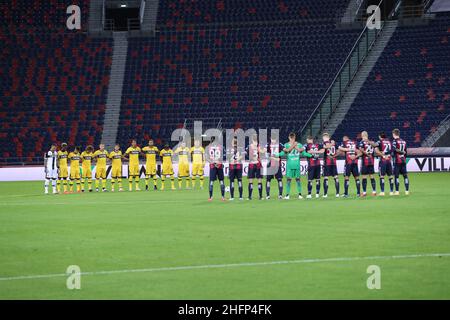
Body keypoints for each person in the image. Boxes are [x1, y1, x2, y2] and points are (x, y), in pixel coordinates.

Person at [273, 132, 311, 200]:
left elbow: (282, 153)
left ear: (289, 137)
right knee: (298, 180)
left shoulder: (287, 144)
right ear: (294, 137)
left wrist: (275, 155)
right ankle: (299, 195)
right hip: (296, 165)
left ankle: (287, 195)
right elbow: (304, 153)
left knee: (289, 180)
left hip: (290, 165)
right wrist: (311, 156)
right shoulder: (298, 144)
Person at [206, 137, 225, 201]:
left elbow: (206, 157)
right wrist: (218, 162)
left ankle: (210, 197)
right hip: (219, 165)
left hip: (212, 166)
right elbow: (223, 157)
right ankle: (223, 197)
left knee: (211, 182)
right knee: (221, 181)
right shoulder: (221, 147)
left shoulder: (208, 147)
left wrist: (213, 163)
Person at [358, 131, 377, 196]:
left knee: (364, 177)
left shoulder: (361, 142)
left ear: (362, 135)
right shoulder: (371, 142)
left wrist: (366, 154)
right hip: (371, 161)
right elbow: (375, 146)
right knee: (372, 176)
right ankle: (374, 192)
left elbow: (361, 150)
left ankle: (364, 193)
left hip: (365, 162)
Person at [392, 128, 409, 195]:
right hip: (403, 161)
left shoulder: (394, 141)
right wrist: (403, 157)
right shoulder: (404, 141)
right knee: (405, 176)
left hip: (397, 161)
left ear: (394, 134)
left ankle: (397, 191)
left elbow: (394, 149)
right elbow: (406, 152)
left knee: (396, 176)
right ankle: (407, 191)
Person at [322, 133, 340, 198]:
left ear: (325, 137)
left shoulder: (324, 143)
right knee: (336, 177)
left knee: (326, 178)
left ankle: (325, 194)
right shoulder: (334, 143)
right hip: (334, 163)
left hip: (327, 163)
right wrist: (334, 156)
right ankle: (337, 193)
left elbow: (325, 147)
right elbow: (339, 151)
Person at [246, 134, 263, 200]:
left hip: (252, 165)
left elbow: (247, 155)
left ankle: (250, 197)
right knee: (259, 181)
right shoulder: (259, 146)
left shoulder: (249, 146)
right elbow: (263, 153)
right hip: (258, 164)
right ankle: (260, 197)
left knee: (251, 181)